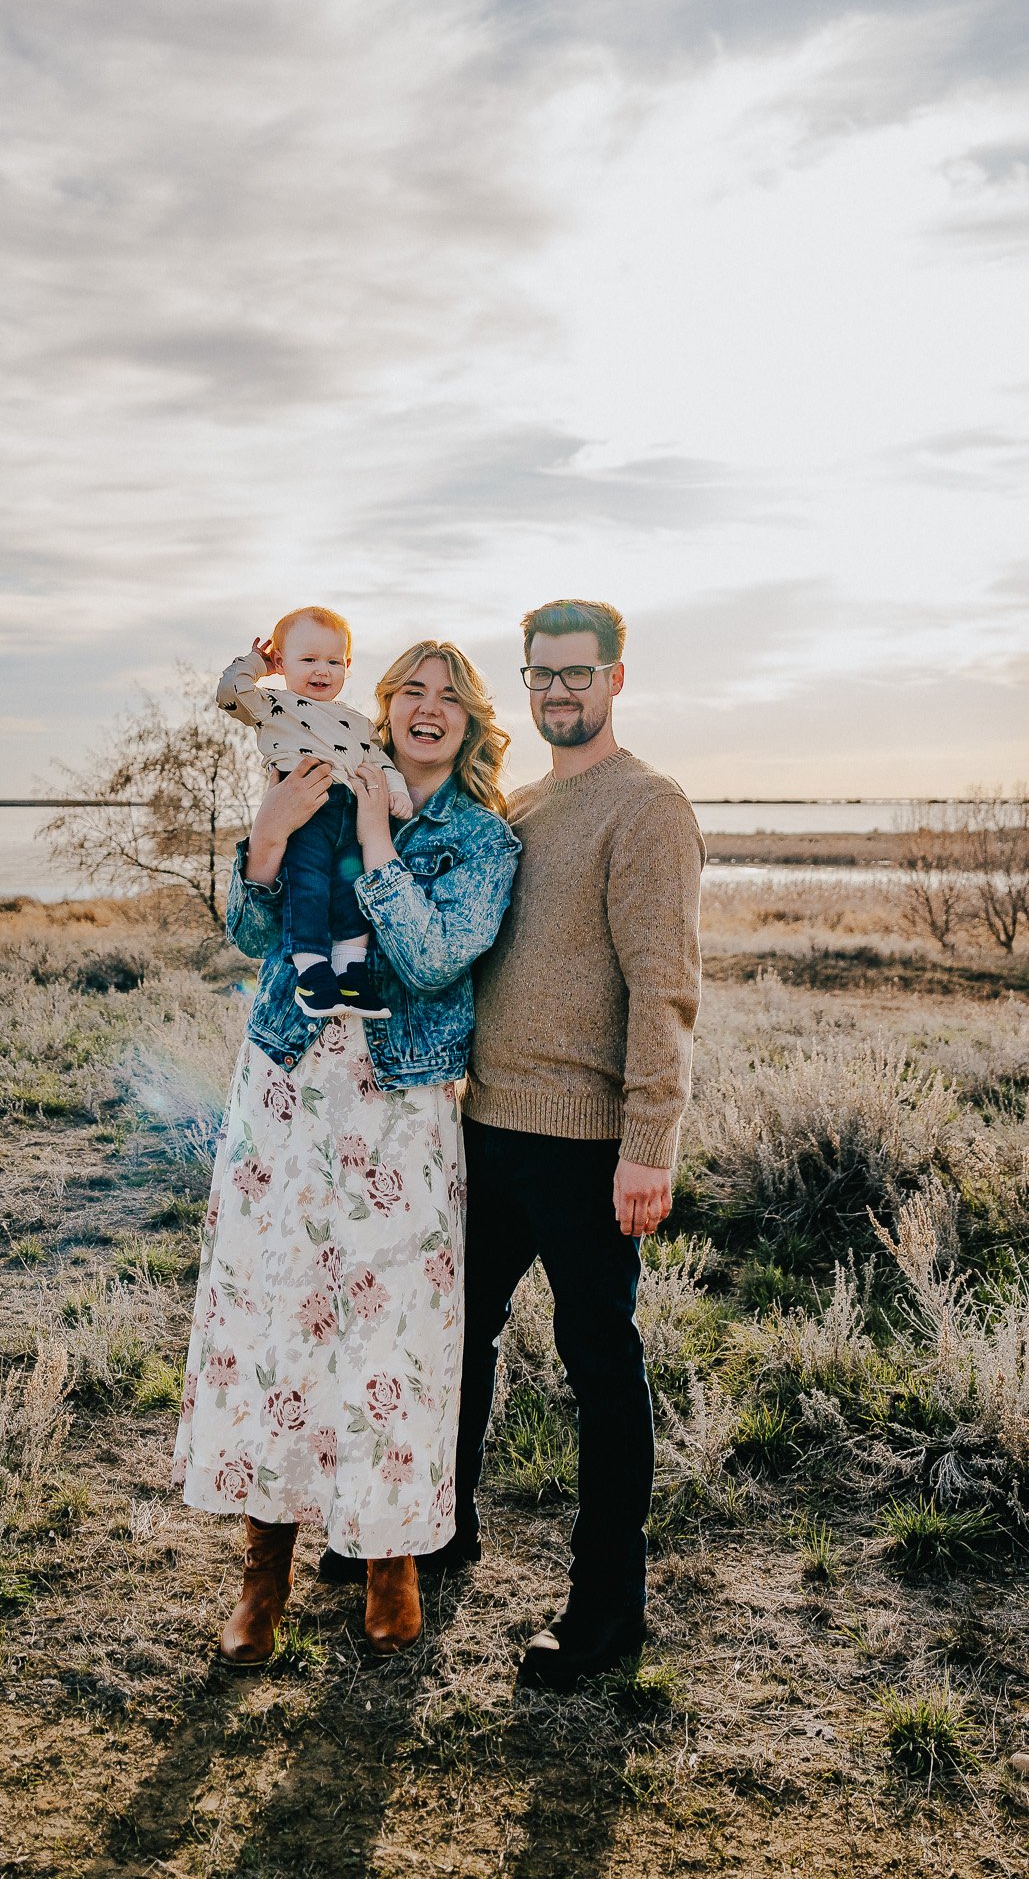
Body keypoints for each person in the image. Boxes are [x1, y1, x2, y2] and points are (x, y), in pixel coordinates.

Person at [173, 641, 519, 1664]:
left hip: (398, 1109)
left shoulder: (480, 839)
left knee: (395, 1333)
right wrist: (269, 835)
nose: (427, 707)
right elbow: (250, 928)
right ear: (383, 704)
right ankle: (261, 1573)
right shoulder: (315, 772)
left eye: (448, 697)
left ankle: (390, 1560)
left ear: (470, 721)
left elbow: (429, 957)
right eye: (409, 689)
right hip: (286, 1087)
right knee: (276, 1314)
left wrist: (375, 839)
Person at [458, 597, 704, 1691]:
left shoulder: (647, 807)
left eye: (577, 673)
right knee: (450, 1336)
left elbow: (665, 983)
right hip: (485, 1122)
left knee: (598, 1366)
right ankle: (435, 1529)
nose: (557, 690)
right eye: (541, 673)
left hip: (587, 1141)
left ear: (615, 677)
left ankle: (608, 1611)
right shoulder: (516, 807)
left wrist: (649, 1139)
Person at [217, 607, 412, 1022]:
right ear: (283, 664)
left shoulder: (356, 722)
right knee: (307, 886)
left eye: (333, 661)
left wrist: (395, 790)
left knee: (350, 890)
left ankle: (351, 974)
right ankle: (312, 973)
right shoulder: (274, 705)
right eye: (307, 660)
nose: (321, 670)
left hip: (351, 812)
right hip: (304, 804)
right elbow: (229, 692)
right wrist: (258, 664)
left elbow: (378, 761)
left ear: (347, 667)